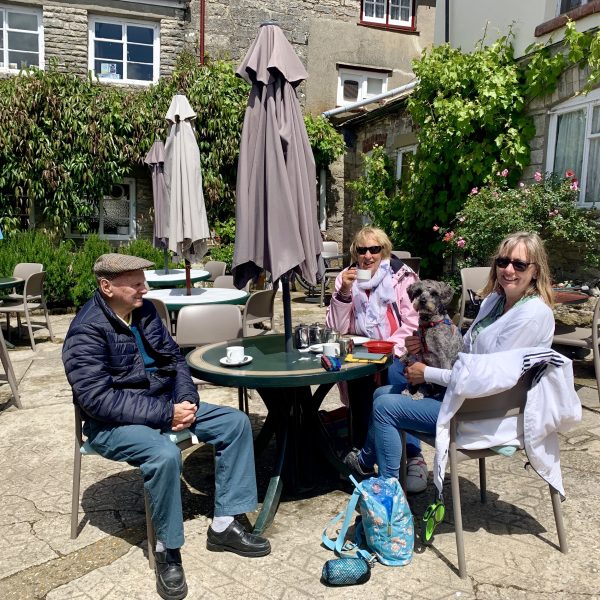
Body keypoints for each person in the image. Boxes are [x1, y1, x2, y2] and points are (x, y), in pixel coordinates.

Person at [62, 254, 270, 600]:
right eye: (136, 282)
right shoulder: (86, 330)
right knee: (163, 454)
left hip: (164, 405)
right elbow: (97, 400)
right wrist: (165, 414)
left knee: (234, 423)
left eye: (144, 280)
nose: (145, 288)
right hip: (112, 422)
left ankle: (224, 524)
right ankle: (166, 550)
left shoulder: (143, 312)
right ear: (107, 286)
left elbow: (175, 359)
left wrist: (186, 400)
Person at [347, 231, 556, 488]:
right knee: (382, 394)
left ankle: (386, 492)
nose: (508, 270)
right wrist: (424, 345)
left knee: (385, 408)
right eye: (502, 262)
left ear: (535, 271)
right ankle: (368, 464)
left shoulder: (532, 315)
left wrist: (427, 373)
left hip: (483, 412)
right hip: (466, 396)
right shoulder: (495, 301)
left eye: (519, 264)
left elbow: (489, 377)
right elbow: (464, 349)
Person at [325, 226, 427, 492]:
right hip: (361, 349)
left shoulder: (401, 277)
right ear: (355, 253)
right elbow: (336, 327)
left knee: (396, 378)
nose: (368, 255)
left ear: (384, 251)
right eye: (362, 250)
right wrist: (345, 293)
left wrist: (388, 347)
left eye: (374, 249)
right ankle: (363, 455)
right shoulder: (346, 279)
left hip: (398, 347)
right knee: (356, 376)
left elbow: (413, 321)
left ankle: (413, 455)